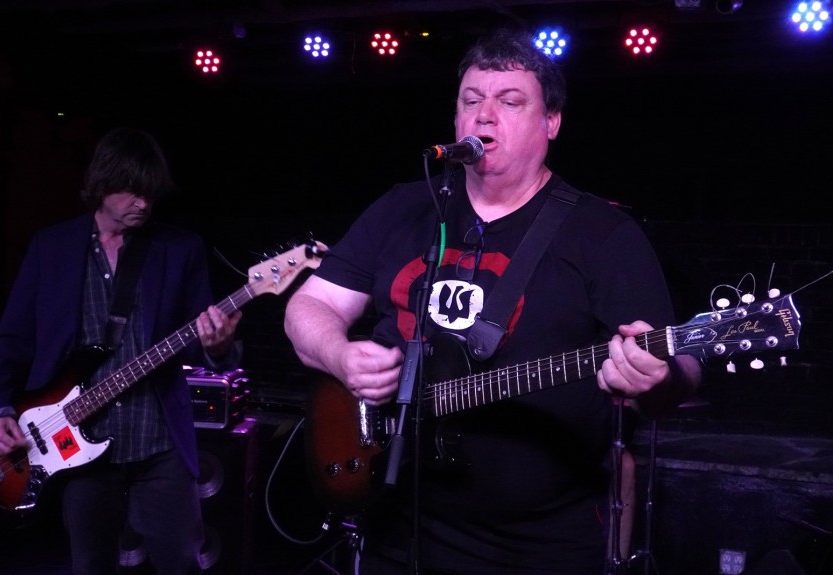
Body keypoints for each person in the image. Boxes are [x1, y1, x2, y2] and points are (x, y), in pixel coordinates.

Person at [283, 27, 701, 575]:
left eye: (509, 101)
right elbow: (307, 308)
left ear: (551, 122)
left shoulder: (603, 234)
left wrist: (659, 379)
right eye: (471, 100)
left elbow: (679, 369)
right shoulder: (404, 208)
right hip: (396, 524)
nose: (484, 116)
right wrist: (340, 356)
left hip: (539, 546)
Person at [0, 126, 242, 575]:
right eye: (133, 190)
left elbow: (205, 339)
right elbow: (12, 339)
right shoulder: (52, 248)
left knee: (181, 561)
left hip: (157, 441)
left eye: (151, 193)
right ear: (102, 184)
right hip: (73, 444)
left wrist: (218, 347)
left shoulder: (179, 249)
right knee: (91, 564)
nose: (144, 203)